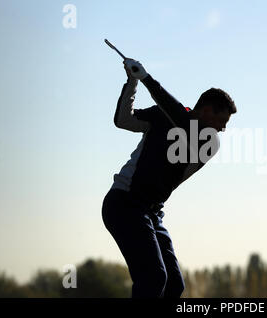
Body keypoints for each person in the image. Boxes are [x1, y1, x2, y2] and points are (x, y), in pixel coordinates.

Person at [101, 58, 237, 298]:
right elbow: (123, 120)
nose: (222, 130)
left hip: (150, 213)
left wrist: (147, 79)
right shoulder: (164, 115)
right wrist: (132, 81)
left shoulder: (209, 142)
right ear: (206, 111)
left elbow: (182, 121)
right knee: (154, 278)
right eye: (221, 122)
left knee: (174, 285)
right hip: (123, 203)